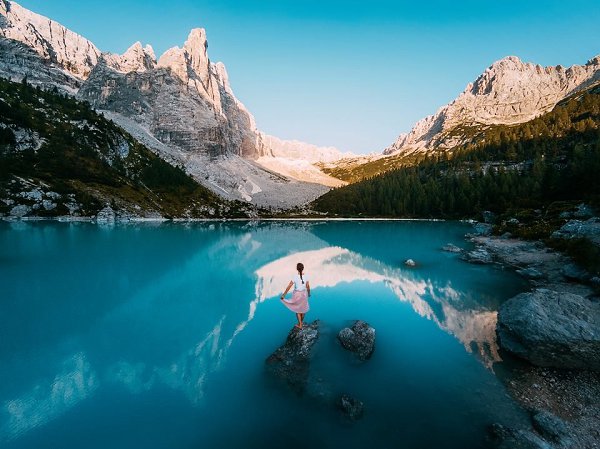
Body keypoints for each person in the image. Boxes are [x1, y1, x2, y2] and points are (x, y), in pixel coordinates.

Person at [280, 262, 311, 329]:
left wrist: (284, 295)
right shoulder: (306, 276)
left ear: (297, 269)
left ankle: (300, 325)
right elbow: (308, 286)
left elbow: (289, 286)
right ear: (303, 268)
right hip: (304, 294)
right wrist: (309, 293)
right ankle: (301, 323)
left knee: (298, 309)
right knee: (303, 309)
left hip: (297, 294)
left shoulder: (295, 277)